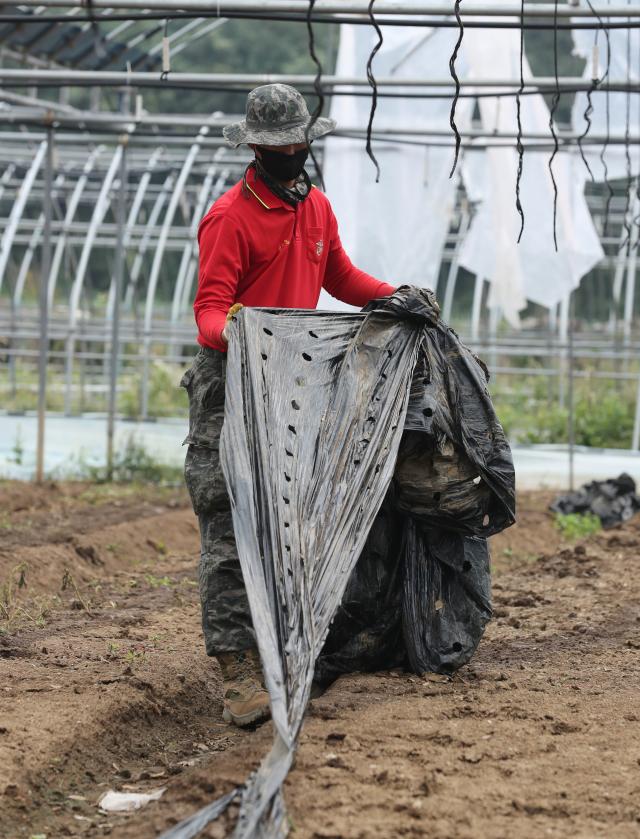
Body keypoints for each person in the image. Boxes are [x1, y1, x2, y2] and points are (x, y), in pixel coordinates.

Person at [182, 83, 396, 727]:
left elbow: (340, 277)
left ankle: (290, 647)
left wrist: (394, 296)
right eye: (274, 146)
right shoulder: (230, 217)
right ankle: (238, 672)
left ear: (307, 143)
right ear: (254, 148)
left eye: (296, 144)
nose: (288, 153)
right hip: (234, 383)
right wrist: (246, 332)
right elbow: (208, 311)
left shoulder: (317, 209)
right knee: (229, 522)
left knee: (291, 521)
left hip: (293, 385)